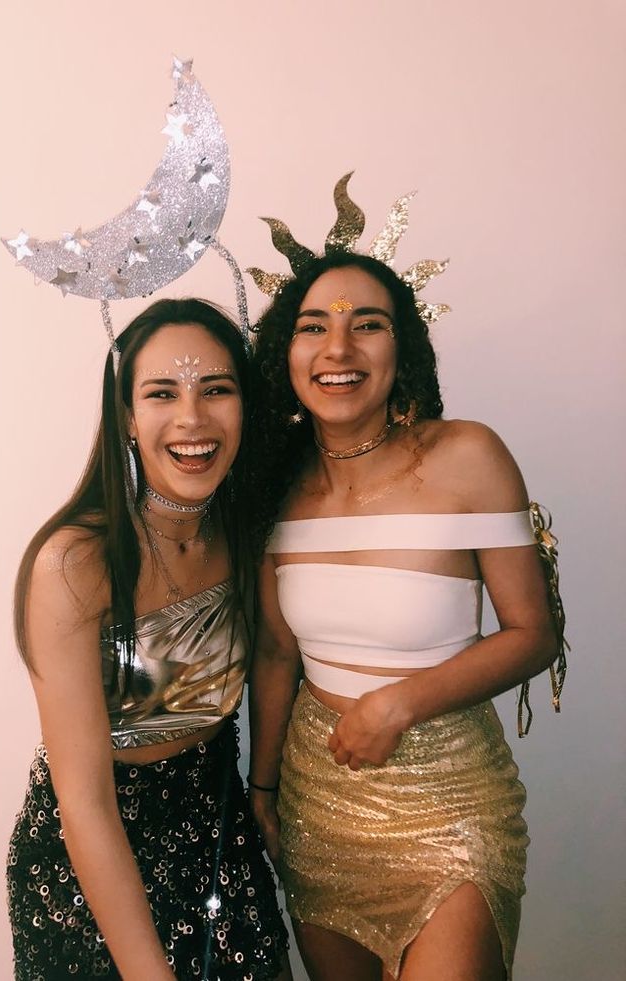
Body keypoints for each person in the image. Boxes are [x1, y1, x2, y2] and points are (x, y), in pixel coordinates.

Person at [246, 250, 562, 981]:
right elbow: (273, 653)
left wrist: (400, 702)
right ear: (287, 353)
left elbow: (532, 632)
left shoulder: (468, 456)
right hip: (318, 799)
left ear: (403, 347)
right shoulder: (277, 486)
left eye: (368, 324)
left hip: (450, 793)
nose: (338, 348)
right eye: (314, 326)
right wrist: (262, 791)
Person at [7, 298, 290, 981]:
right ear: (128, 418)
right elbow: (84, 799)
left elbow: (279, 658)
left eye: (216, 389)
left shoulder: (249, 534)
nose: (192, 418)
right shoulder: (76, 562)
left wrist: (264, 793)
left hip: (217, 825)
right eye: (162, 393)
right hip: (94, 856)